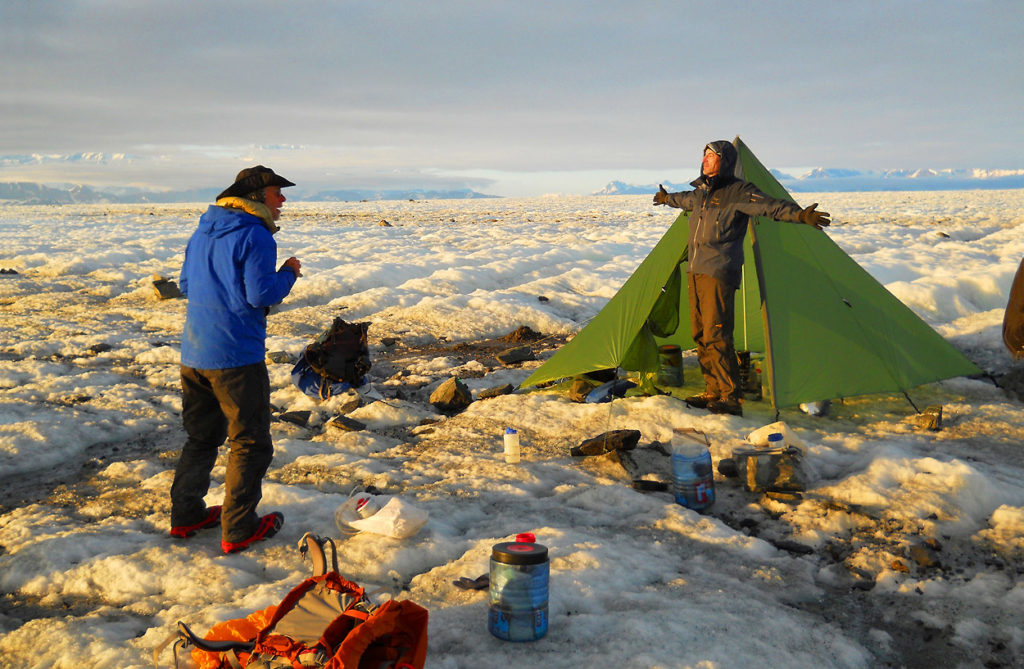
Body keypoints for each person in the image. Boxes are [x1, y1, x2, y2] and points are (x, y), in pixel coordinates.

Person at [169, 166, 302, 553]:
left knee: (201, 437)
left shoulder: (203, 231)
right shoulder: (255, 234)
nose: (283, 200)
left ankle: (186, 515)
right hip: (236, 357)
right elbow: (261, 294)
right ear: (258, 195)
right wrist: (289, 273)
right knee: (250, 442)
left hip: (194, 353)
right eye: (278, 192)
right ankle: (240, 528)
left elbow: (186, 286)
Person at [653, 140, 830, 416]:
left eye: (713, 156)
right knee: (700, 334)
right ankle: (712, 391)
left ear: (725, 161)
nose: (706, 159)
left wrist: (799, 214)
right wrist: (666, 199)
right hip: (696, 270)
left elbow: (770, 206)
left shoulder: (738, 192)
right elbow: (683, 199)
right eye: (705, 155)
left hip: (718, 271)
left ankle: (730, 398)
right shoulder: (700, 193)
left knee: (717, 334)